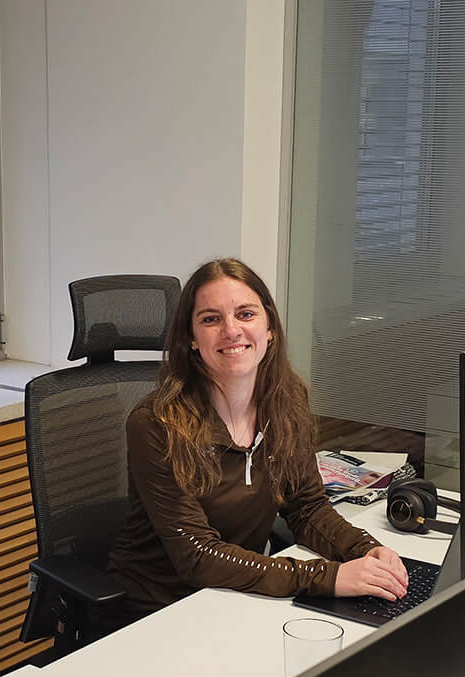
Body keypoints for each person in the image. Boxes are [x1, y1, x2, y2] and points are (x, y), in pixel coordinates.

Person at [107, 258, 410, 616]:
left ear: (270, 329)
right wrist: (328, 577)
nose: (231, 330)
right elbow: (197, 556)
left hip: (237, 596)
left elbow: (307, 508)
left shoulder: (287, 402)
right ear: (191, 337)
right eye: (210, 318)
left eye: (246, 314)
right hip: (159, 610)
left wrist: (364, 550)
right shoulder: (157, 423)